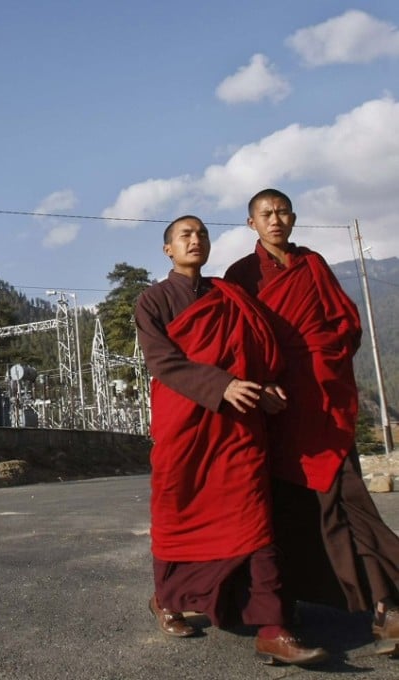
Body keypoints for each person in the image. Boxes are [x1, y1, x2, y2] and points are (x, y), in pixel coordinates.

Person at [134, 214, 327, 666]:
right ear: (168, 250)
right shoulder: (153, 301)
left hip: (238, 427)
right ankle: (166, 599)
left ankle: (273, 627)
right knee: (177, 511)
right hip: (184, 426)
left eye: (201, 234)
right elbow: (162, 362)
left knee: (254, 517)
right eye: (185, 235)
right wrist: (220, 385)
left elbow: (257, 351)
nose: (195, 240)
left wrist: (266, 386)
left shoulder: (228, 296)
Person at [225, 188, 399, 654]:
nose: (275, 220)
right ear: (251, 224)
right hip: (279, 406)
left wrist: (327, 360)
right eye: (266, 214)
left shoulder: (314, 264)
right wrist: (261, 385)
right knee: (289, 503)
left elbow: (346, 322)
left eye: (282, 212)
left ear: (295, 218)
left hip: (323, 396)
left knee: (348, 495)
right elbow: (238, 340)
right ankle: (291, 601)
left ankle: (387, 605)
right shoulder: (241, 275)